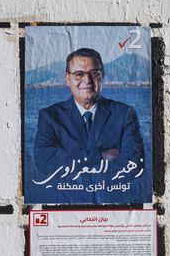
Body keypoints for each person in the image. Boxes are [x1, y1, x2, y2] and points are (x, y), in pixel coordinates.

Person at [33, 48, 145, 181]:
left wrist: (69, 162)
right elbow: (44, 161)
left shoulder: (125, 114)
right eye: (79, 74)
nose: (88, 80)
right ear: (68, 78)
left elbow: (135, 164)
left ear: (102, 75)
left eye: (94, 73)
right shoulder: (50, 116)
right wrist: (100, 156)